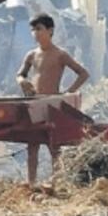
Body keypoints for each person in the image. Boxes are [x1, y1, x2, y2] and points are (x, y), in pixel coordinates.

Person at [15, 14, 90, 183]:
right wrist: (22, 81)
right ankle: (31, 184)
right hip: (34, 103)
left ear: (50, 31)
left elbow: (83, 73)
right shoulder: (31, 55)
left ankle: (57, 183)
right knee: (32, 146)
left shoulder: (60, 54)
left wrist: (67, 93)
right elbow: (20, 74)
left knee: (54, 147)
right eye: (33, 30)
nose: (35, 33)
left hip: (52, 105)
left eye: (39, 29)